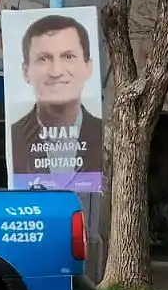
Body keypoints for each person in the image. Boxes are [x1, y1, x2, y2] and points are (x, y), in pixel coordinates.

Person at [9, 14, 103, 179]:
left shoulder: (106, 136)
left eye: (68, 56)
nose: (56, 71)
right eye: (43, 59)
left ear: (88, 67)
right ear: (26, 72)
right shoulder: (12, 138)